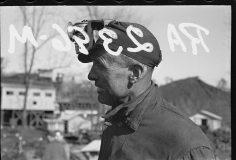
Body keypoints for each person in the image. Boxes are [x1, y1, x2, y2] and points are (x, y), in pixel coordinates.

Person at [69, 20, 216, 160]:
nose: (91, 75)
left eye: (100, 66)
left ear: (135, 73)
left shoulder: (186, 145)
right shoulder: (117, 121)